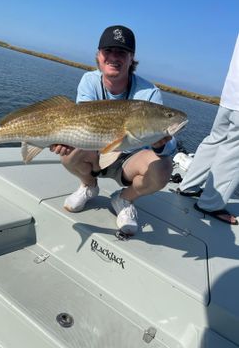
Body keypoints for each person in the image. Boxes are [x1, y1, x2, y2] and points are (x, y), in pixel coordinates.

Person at [51, 25, 177, 235]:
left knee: (163, 167)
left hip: (129, 160)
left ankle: (124, 199)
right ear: (98, 55)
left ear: (131, 58)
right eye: (107, 51)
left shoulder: (150, 93)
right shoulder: (89, 81)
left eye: (121, 52)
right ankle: (88, 186)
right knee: (68, 154)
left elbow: (170, 144)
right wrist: (63, 139)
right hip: (96, 153)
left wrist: (162, 145)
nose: (113, 57)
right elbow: (79, 124)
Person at [178, 33, 239, 225]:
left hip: (231, 93)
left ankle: (188, 185)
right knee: (234, 151)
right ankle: (211, 203)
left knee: (216, 138)